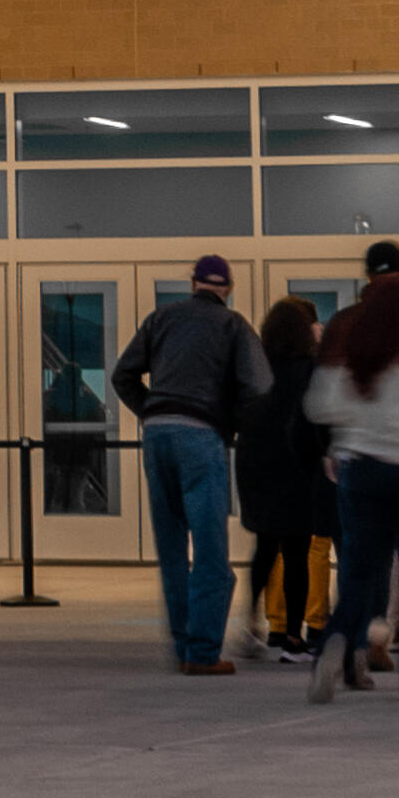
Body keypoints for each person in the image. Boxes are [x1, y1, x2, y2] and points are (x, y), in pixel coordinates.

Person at [113, 253, 274, 675]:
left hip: (157, 435)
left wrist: (150, 411)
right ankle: (202, 653)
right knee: (209, 550)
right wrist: (230, 425)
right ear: (228, 288)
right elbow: (260, 387)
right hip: (201, 436)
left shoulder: (160, 318)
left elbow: (122, 374)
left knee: (171, 547)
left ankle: (183, 645)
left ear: (193, 284)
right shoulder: (233, 325)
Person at [305, 273, 399, 705]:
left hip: (360, 470)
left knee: (359, 570)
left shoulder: (353, 352)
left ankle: (336, 640)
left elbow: (319, 406)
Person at [239, 296, 333, 659]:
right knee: (297, 551)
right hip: (296, 462)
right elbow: (318, 413)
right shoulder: (309, 368)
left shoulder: (257, 365)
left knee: (265, 546)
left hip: (257, 461)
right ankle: (294, 637)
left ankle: (253, 618)